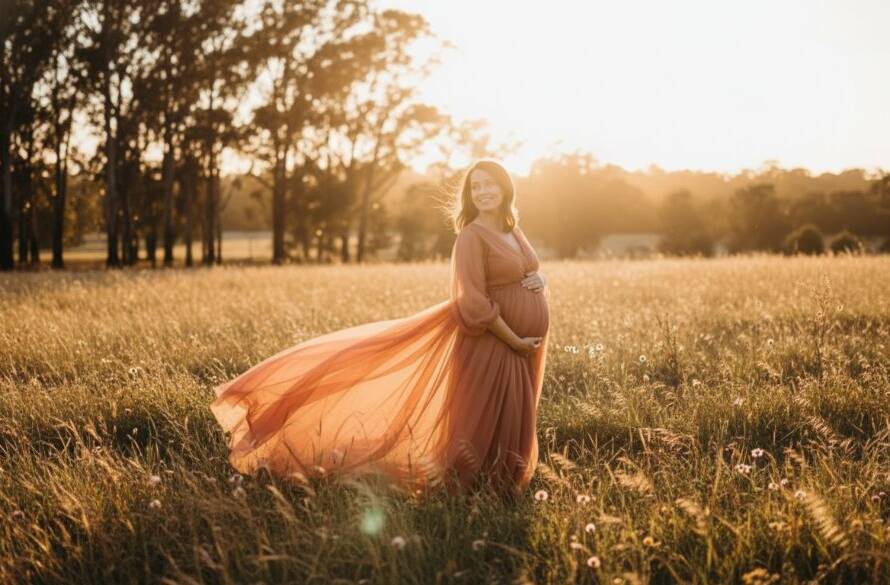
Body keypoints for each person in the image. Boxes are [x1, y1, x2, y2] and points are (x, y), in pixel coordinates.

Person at [210, 159, 550, 499]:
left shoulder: (511, 228)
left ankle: (503, 491)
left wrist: (539, 278)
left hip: (520, 345)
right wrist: (515, 339)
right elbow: (474, 303)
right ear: (469, 195)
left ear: (505, 186)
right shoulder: (471, 236)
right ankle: (466, 497)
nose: (483, 192)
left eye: (489, 183)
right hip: (492, 343)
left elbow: (521, 271)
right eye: (476, 187)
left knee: (513, 416)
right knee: (482, 423)